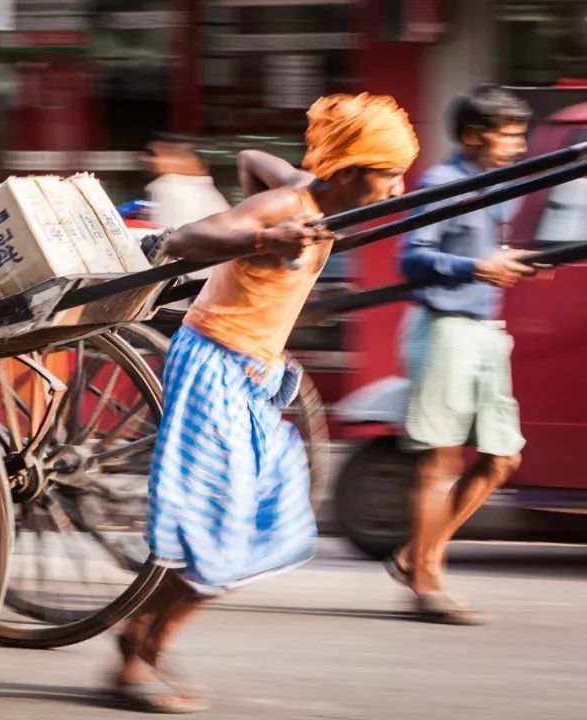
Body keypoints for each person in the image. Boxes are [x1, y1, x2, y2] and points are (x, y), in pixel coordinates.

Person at [106, 93, 419, 713]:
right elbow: (185, 237)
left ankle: (141, 642)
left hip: (249, 374)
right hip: (212, 368)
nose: (397, 188)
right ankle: (137, 656)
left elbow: (252, 158)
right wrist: (262, 237)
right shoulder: (286, 208)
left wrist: (275, 219)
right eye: (388, 174)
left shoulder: (310, 194)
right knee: (226, 532)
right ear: (350, 173)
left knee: (267, 519)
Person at [389, 85, 536, 624]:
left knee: (502, 459)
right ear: (475, 136)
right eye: (509, 136)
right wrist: (476, 267)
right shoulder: (442, 183)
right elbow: (412, 258)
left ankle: (415, 556)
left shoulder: (498, 185)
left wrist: (503, 262)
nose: (519, 146)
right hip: (444, 329)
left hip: (484, 329)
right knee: (440, 462)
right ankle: (427, 584)